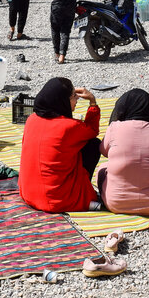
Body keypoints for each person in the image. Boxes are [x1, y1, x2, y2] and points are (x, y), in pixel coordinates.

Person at [18, 78, 101, 213]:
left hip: (28, 194)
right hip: (58, 201)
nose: (77, 100)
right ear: (62, 101)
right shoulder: (69, 127)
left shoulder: (31, 119)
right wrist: (92, 102)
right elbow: (92, 130)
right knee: (93, 144)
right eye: (74, 96)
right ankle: (83, 192)